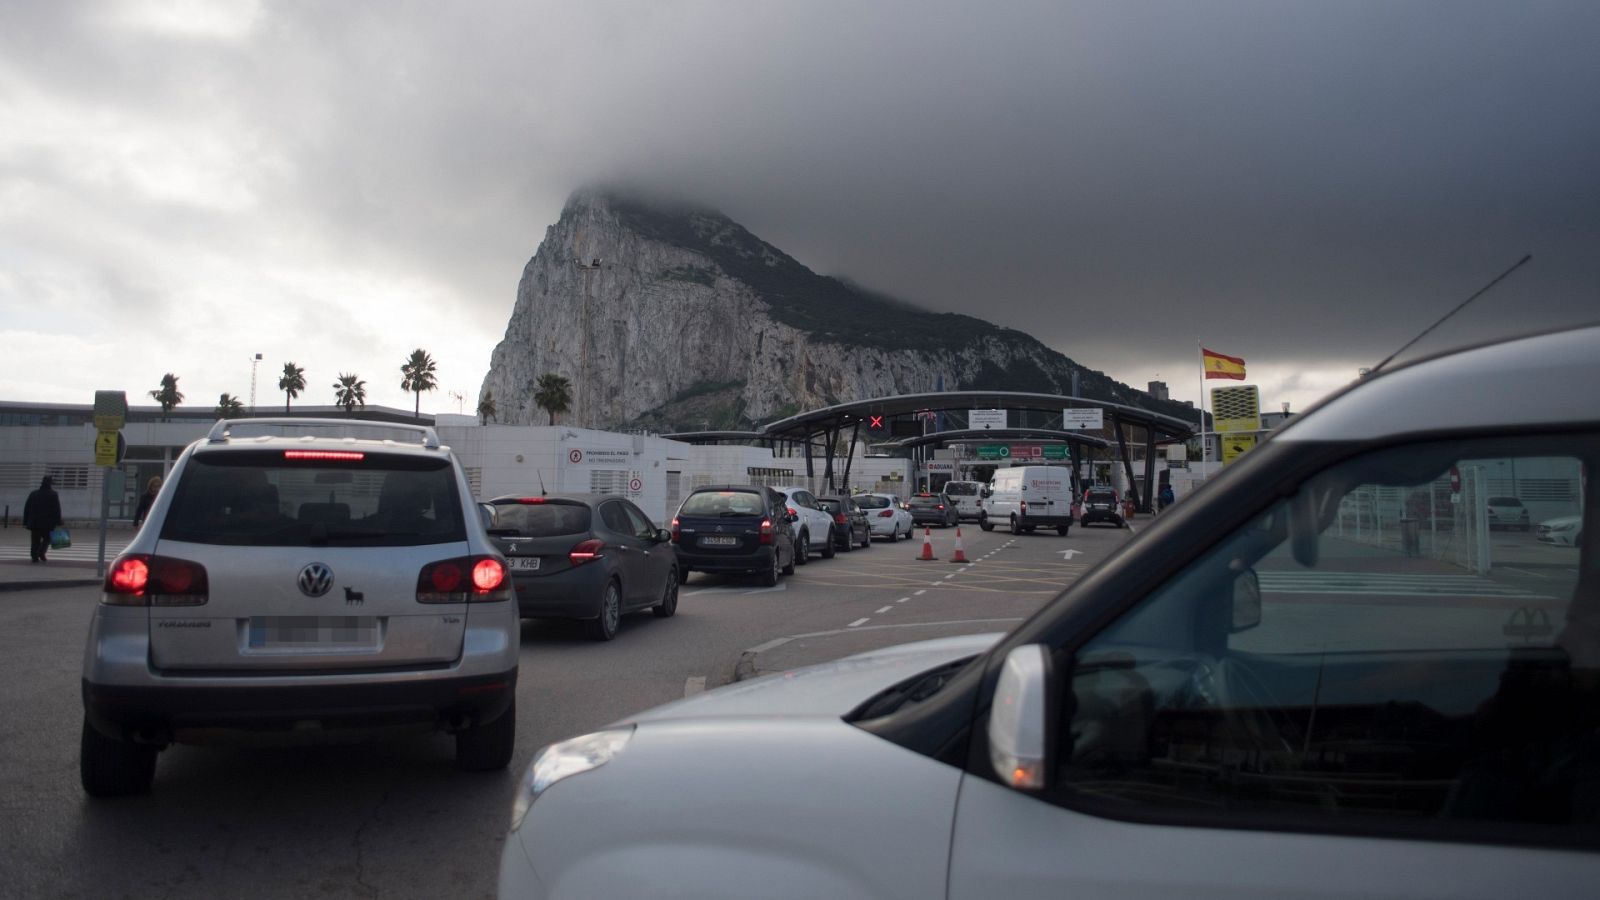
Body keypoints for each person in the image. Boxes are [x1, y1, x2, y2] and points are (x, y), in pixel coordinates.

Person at [23, 475, 63, 563]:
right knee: (47, 538)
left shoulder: (34, 493)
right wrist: (59, 521)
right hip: (48, 523)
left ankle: (34, 556)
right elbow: (56, 509)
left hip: (34, 522)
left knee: (35, 540)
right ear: (50, 484)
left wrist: (25, 521)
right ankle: (41, 552)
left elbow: (27, 508)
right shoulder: (53, 494)